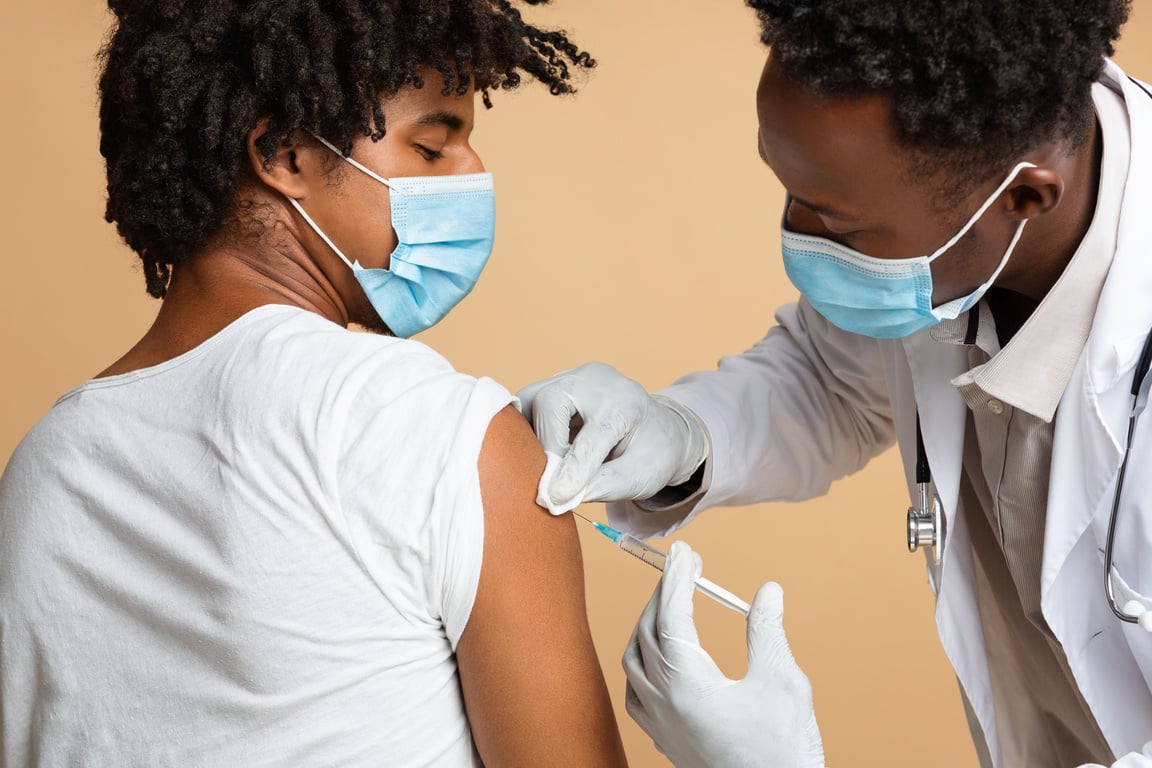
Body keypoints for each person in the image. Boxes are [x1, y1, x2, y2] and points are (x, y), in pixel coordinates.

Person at [519, 0, 1152, 765]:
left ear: (1023, 197)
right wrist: (681, 434)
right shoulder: (957, 210)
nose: (796, 236)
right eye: (787, 190)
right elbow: (832, 376)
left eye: (841, 227)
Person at [0, 1, 630, 766]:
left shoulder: (42, 466)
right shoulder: (431, 426)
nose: (475, 176)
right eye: (432, 150)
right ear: (284, 153)